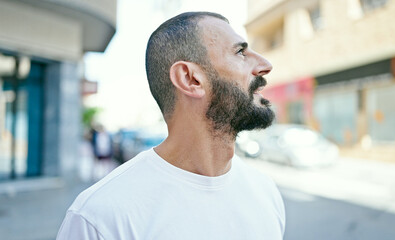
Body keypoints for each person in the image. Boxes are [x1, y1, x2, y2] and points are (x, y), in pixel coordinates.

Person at [57, 12, 285, 239]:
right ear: (190, 79)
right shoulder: (100, 219)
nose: (266, 65)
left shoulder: (265, 191)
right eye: (240, 52)